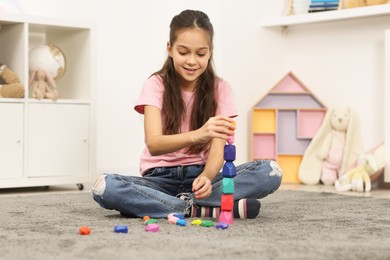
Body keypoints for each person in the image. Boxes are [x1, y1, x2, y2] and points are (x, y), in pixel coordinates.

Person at [92, 9, 282, 219]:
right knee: (105, 186)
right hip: (159, 180)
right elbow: (154, 144)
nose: (192, 61)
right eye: (183, 52)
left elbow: (218, 153)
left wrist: (207, 178)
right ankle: (199, 208)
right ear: (170, 49)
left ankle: (171, 206)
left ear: (210, 52)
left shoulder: (221, 89)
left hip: (201, 178)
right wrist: (198, 134)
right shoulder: (156, 85)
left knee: (269, 171)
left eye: (200, 54)